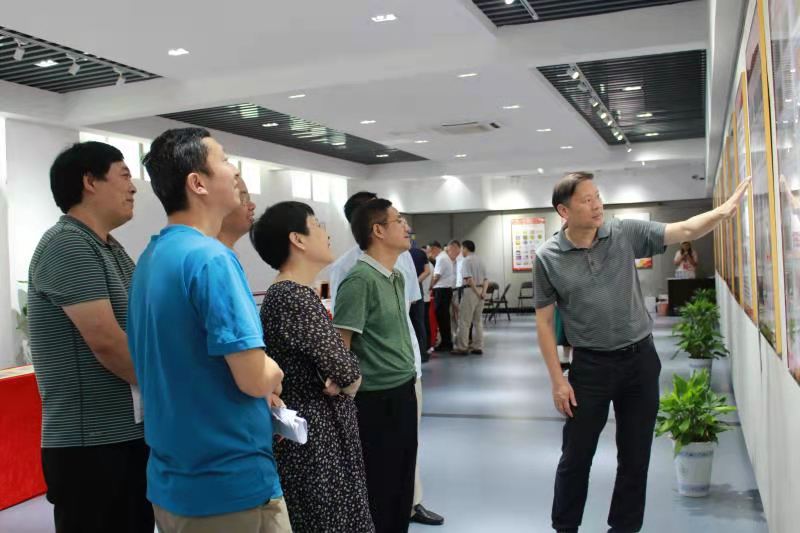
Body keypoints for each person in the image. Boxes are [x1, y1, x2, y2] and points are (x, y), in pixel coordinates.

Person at [533, 171, 750, 533]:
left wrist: (722, 211)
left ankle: (624, 528)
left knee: (635, 458)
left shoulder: (621, 232)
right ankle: (565, 527)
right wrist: (558, 381)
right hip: (590, 367)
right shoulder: (548, 257)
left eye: (597, 196)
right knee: (576, 457)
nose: (597, 205)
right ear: (564, 211)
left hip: (639, 362)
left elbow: (683, 229)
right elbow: (543, 322)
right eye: (586, 200)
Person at [128, 128, 289, 532]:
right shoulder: (211, 259)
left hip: (175, 479)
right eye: (225, 161)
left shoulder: (152, 257)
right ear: (197, 183)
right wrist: (274, 370)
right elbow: (254, 377)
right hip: (225, 483)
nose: (235, 171)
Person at [28, 141, 153, 533]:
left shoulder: (109, 248)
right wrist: (175, 393)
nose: (133, 187)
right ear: (90, 182)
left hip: (125, 434)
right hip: (90, 444)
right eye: (124, 175)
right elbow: (109, 344)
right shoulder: (67, 244)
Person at [251, 201, 374, 533]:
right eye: (317, 225)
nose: (326, 233)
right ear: (298, 239)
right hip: (316, 438)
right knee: (330, 520)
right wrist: (346, 376)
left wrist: (342, 373)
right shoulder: (294, 297)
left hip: (314, 431)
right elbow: (346, 370)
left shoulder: (289, 294)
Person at [328, 192, 443, 527]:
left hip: (403, 385)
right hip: (375, 397)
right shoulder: (358, 279)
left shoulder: (395, 274)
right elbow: (341, 346)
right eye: (399, 221)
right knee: (381, 484)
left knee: (402, 480)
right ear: (377, 230)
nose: (407, 227)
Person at [452, 240, 487, 355]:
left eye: (462, 248)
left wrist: (476, 292)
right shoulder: (481, 260)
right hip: (481, 291)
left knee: (464, 321)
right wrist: (483, 293)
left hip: (471, 291)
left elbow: (469, 279)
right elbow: (486, 279)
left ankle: (462, 347)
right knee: (478, 321)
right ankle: (478, 346)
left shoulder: (466, 261)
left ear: (465, 248)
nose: (461, 251)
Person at [430, 241, 455, 352]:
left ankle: (446, 343)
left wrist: (429, 287)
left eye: (431, 251)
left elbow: (436, 276)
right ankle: (446, 341)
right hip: (445, 290)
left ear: (435, 248)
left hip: (442, 290)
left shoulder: (441, 258)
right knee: (444, 318)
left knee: (442, 318)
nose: (431, 254)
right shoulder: (445, 257)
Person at [218, 174, 256, 249]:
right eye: (243, 197)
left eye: (248, 198)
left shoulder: (222, 252)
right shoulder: (210, 254)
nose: (253, 206)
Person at [409, 244, 432, 362]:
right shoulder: (420, 253)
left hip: (406, 289)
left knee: (409, 323)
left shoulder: (400, 254)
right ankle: (422, 353)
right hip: (418, 289)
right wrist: (416, 282)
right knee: (419, 322)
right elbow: (427, 271)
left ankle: (412, 354)